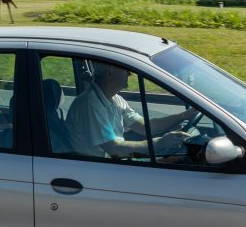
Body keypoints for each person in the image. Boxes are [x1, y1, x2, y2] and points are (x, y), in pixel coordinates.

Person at [65, 61, 197, 159]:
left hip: (114, 163)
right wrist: (160, 142)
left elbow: (146, 127)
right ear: (110, 71)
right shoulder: (91, 104)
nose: (130, 73)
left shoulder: (115, 99)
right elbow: (113, 148)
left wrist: (183, 115)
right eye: (125, 69)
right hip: (99, 171)